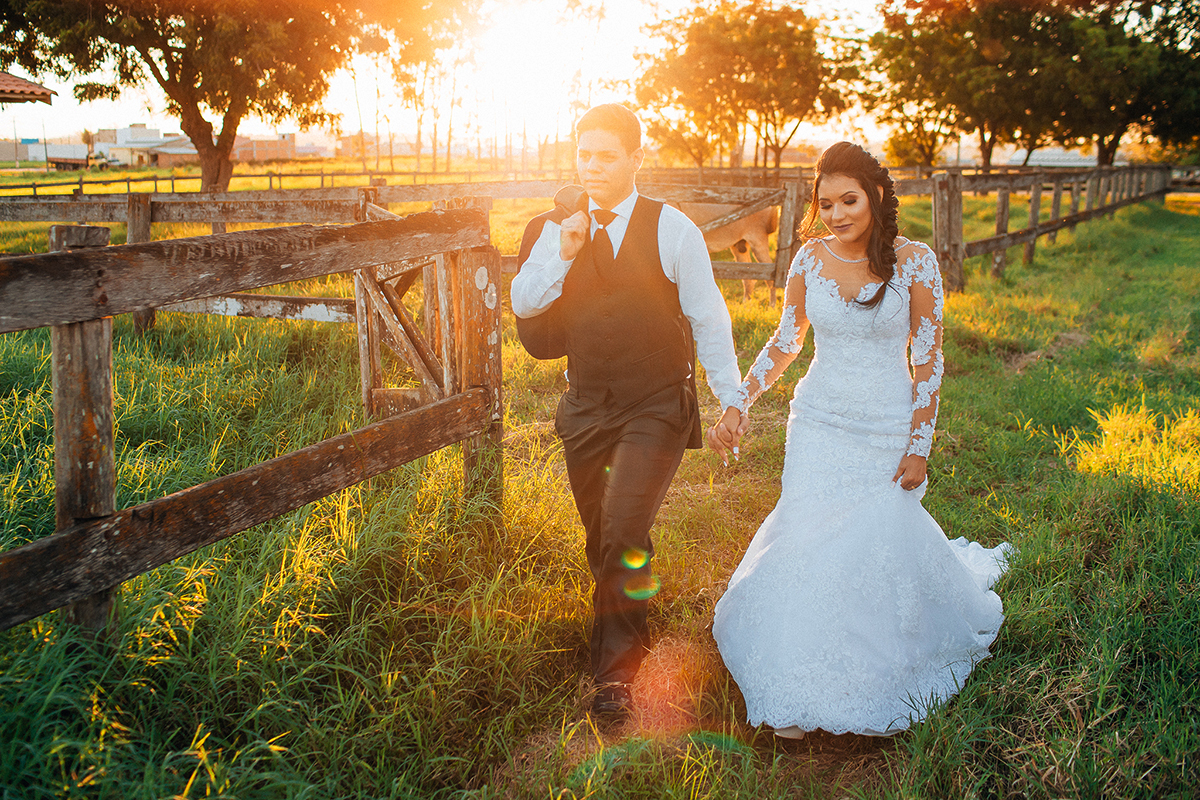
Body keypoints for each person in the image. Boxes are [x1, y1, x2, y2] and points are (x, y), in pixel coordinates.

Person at [707, 142, 1012, 738]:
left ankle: (880, 665)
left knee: (874, 542)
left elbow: (928, 360)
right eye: (825, 204)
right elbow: (785, 344)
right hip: (818, 420)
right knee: (807, 534)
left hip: (885, 425)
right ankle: (794, 667)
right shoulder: (808, 260)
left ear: (875, 195)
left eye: (849, 200)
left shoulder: (916, 262)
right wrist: (742, 399)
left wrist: (918, 445)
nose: (837, 214)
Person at [510, 104, 742, 719]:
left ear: (637, 158)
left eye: (606, 155)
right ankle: (633, 624)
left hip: (656, 403)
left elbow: (708, 315)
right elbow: (524, 303)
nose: (592, 167)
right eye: (583, 154)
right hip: (584, 407)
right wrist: (563, 250)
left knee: (619, 525)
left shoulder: (673, 230)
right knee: (606, 535)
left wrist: (731, 398)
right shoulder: (553, 229)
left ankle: (614, 675)